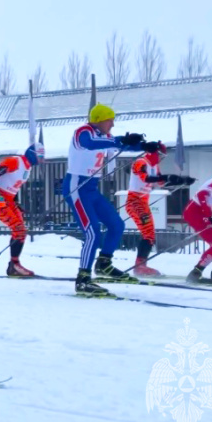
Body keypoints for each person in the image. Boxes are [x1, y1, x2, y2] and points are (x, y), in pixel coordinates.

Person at [64, 103, 159, 295]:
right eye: (110, 121)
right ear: (99, 120)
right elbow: (90, 143)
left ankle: (104, 264)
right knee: (93, 233)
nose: (113, 125)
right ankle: (83, 279)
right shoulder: (83, 132)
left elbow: (118, 143)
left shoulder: (106, 136)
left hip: (91, 189)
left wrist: (145, 146)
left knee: (116, 225)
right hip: (76, 187)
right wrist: (120, 140)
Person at [125, 144, 196, 276]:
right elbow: (145, 178)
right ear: (153, 153)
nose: (161, 159)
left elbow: (162, 183)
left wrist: (181, 181)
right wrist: (165, 177)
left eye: (163, 156)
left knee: (150, 235)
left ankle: (141, 265)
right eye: (160, 155)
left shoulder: (155, 167)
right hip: (134, 202)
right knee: (148, 234)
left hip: (143, 202)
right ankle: (139, 266)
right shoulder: (140, 162)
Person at [0, 143, 45, 276]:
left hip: (10, 200)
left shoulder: (27, 168)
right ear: (32, 154)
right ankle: (14, 265)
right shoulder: (15, 161)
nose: (41, 160)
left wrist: (16, 202)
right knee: (18, 229)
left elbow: (14, 186)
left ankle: (14, 264)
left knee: (21, 231)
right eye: (40, 156)